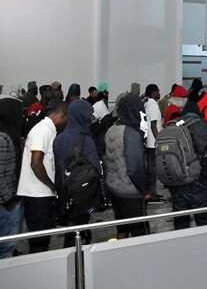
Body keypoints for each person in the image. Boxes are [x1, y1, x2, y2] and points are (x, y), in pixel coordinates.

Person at [17, 103, 68, 253]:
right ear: (60, 116)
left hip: (40, 193)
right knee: (39, 242)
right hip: (37, 195)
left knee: (43, 239)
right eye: (67, 119)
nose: (67, 123)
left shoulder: (49, 130)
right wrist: (52, 186)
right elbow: (35, 162)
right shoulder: (43, 130)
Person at [104, 94, 152, 238]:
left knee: (122, 228)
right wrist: (144, 190)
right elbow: (134, 168)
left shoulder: (112, 129)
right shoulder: (131, 134)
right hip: (131, 191)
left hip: (115, 188)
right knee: (139, 231)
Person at [53, 100, 99, 247]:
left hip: (64, 191)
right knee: (81, 231)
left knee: (70, 231)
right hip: (83, 192)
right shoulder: (85, 139)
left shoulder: (59, 138)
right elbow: (95, 167)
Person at [166, 108, 207, 230]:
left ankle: (182, 245)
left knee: (181, 219)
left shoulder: (172, 126)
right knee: (203, 219)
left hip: (175, 178)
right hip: (197, 179)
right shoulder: (203, 126)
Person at [0, 96, 24, 258]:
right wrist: (9, 199)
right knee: (6, 245)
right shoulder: (2, 138)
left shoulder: (10, 133)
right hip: (5, 203)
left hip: (8, 199)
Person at [143, 84, 164, 204]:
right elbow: (153, 125)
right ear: (153, 92)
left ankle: (151, 193)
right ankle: (151, 194)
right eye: (158, 91)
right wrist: (159, 140)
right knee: (153, 169)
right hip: (153, 142)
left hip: (149, 142)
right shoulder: (153, 104)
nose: (159, 92)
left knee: (151, 169)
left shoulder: (147, 103)